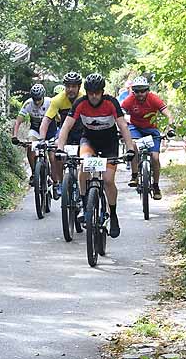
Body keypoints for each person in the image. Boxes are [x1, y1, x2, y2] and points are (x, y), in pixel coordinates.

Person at [56, 73, 136, 238]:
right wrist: (60, 148)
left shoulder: (111, 102)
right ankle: (85, 203)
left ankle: (113, 215)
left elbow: (123, 126)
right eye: (90, 93)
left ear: (102, 92)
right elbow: (66, 127)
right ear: (86, 92)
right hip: (89, 141)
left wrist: (130, 149)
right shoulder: (80, 103)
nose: (93, 96)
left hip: (109, 143)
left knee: (108, 180)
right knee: (84, 165)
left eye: (97, 92)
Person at [121, 75, 175, 199]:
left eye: (143, 90)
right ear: (133, 91)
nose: (140, 94)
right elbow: (120, 113)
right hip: (135, 128)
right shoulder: (129, 100)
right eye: (137, 91)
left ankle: (156, 186)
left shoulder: (154, 99)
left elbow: (169, 114)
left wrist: (170, 128)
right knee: (133, 145)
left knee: (155, 158)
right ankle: (134, 175)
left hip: (151, 130)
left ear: (147, 90)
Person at [40, 71, 85, 199]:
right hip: (66, 133)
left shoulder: (84, 98)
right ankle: (59, 182)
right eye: (68, 86)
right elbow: (46, 120)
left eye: (73, 86)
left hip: (83, 132)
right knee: (54, 150)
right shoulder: (57, 100)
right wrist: (42, 139)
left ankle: (84, 187)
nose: (70, 89)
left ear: (79, 87)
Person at [12, 84, 54, 186]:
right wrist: (14, 136)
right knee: (30, 146)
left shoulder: (50, 102)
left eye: (39, 99)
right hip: (35, 130)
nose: (37, 102)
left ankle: (53, 177)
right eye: (35, 99)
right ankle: (34, 172)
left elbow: (60, 118)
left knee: (52, 155)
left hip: (50, 131)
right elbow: (18, 122)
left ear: (43, 96)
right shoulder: (28, 103)